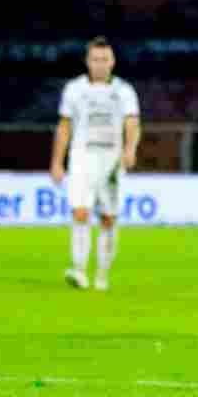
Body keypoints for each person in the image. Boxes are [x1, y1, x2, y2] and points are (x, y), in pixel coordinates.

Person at [48, 36, 140, 292]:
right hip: (81, 156)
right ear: (87, 62)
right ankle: (78, 271)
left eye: (105, 59)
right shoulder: (74, 90)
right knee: (80, 211)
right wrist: (57, 162)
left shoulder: (124, 91)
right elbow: (64, 127)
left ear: (113, 62)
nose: (100, 64)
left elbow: (132, 123)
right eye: (95, 59)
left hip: (111, 157)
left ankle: (101, 274)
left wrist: (130, 149)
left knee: (109, 218)